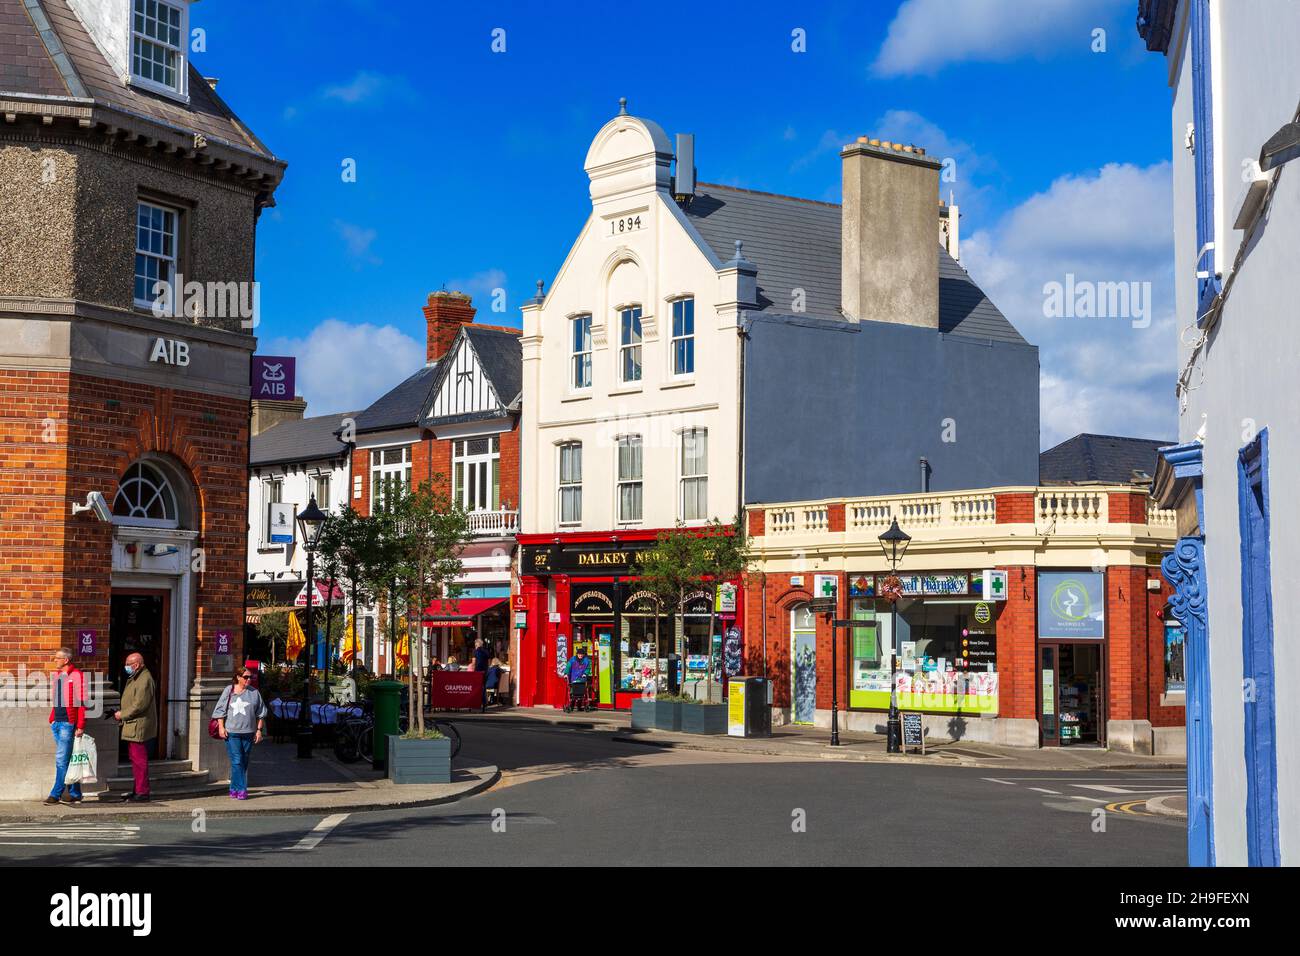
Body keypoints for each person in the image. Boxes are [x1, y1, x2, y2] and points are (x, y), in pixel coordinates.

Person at [213, 666, 267, 800]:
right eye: (246, 677)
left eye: (250, 677)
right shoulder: (229, 691)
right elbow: (220, 711)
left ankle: (234, 788)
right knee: (237, 760)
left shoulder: (254, 693)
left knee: (244, 761)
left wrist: (259, 731)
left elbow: (261, 714)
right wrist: (221, 727)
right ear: (238, 677)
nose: (249, 679)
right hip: (232, 732)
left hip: (249, 733)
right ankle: (242, 790)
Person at [114, 652, 157, 802]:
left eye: (128, 664)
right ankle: (137, 789)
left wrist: (122, 714)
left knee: (139, 760)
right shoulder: (136, 677)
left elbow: (139, 705)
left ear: (136, 665)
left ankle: (142, 792)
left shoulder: (144, 679)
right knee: (135, 759)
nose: (126, 667)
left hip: (138, 726)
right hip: (133, 725)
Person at [45, 648, 85, 806]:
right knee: (67, 758)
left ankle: (56, 793)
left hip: (68, 724)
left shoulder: (77, 676)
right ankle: (75, 793)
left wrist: (80, 725)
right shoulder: (57, 676)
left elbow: (81, 703)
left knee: (61, 760)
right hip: (57, 722)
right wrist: (52, 719)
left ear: (66, 660)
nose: (55, 660)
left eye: (57, 658)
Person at [566, 645, 592, 710]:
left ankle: (579, 706)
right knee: (573, 692)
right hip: (574, 678)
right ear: (577, 654)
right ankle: (571, 705)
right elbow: (568, 666)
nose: (580, 655)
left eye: (581, 654)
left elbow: (588, 668)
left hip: (581, 678)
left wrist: (585, 673)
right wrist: (566, 673)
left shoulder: (586, 660)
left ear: (583, 655)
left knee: (581, 693)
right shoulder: (573, 659)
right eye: (579, 654)